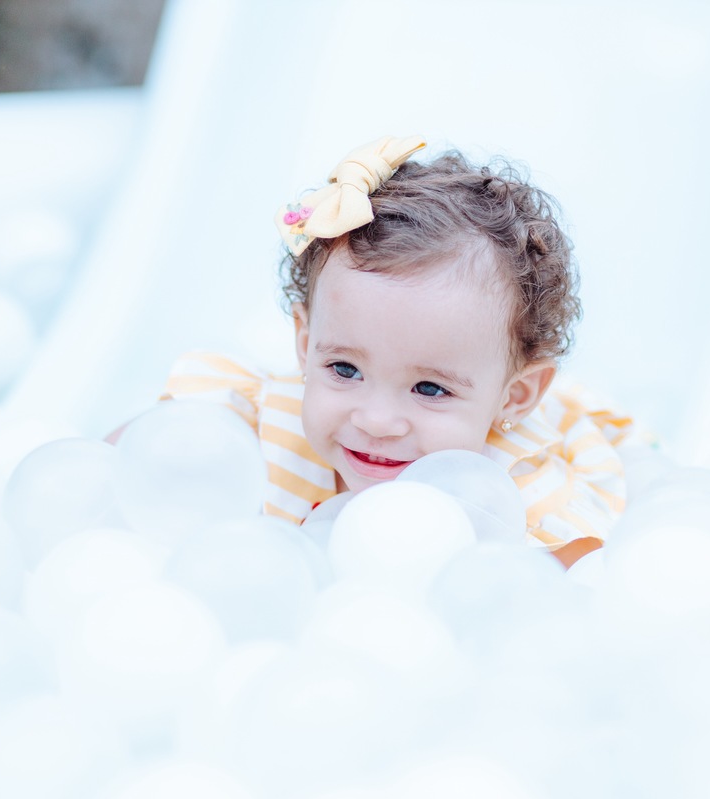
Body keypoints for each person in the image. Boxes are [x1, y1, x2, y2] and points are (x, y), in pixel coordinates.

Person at [154, 136, 640, 568]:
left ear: (515, 397)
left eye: (429, 388)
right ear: (305, 345)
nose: (376, 420)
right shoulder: (259, 429)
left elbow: (567, 584)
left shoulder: (512, 494)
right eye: (344, 369)